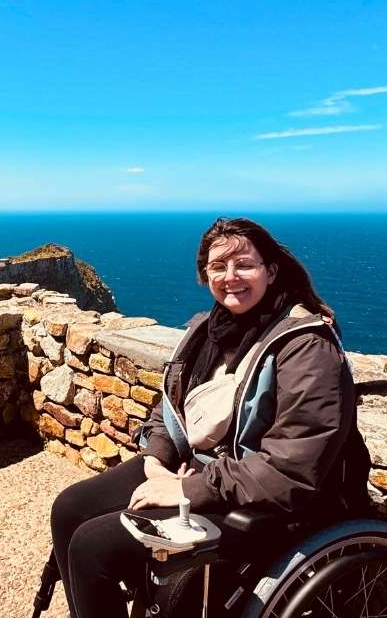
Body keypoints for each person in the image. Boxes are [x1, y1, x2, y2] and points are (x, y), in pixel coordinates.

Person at [49, 217, 370, 618]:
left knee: (93, 546)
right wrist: (156, 460)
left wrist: (189, 489)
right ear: (205, 275)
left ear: (271, 271)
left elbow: (289, 469)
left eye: (244, 265)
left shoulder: (305, 348)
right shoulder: (207, 331)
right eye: (218, 267)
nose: (230, 277)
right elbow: (171, 407)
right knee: (70, 508)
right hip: (199, 470)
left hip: (260, 498)